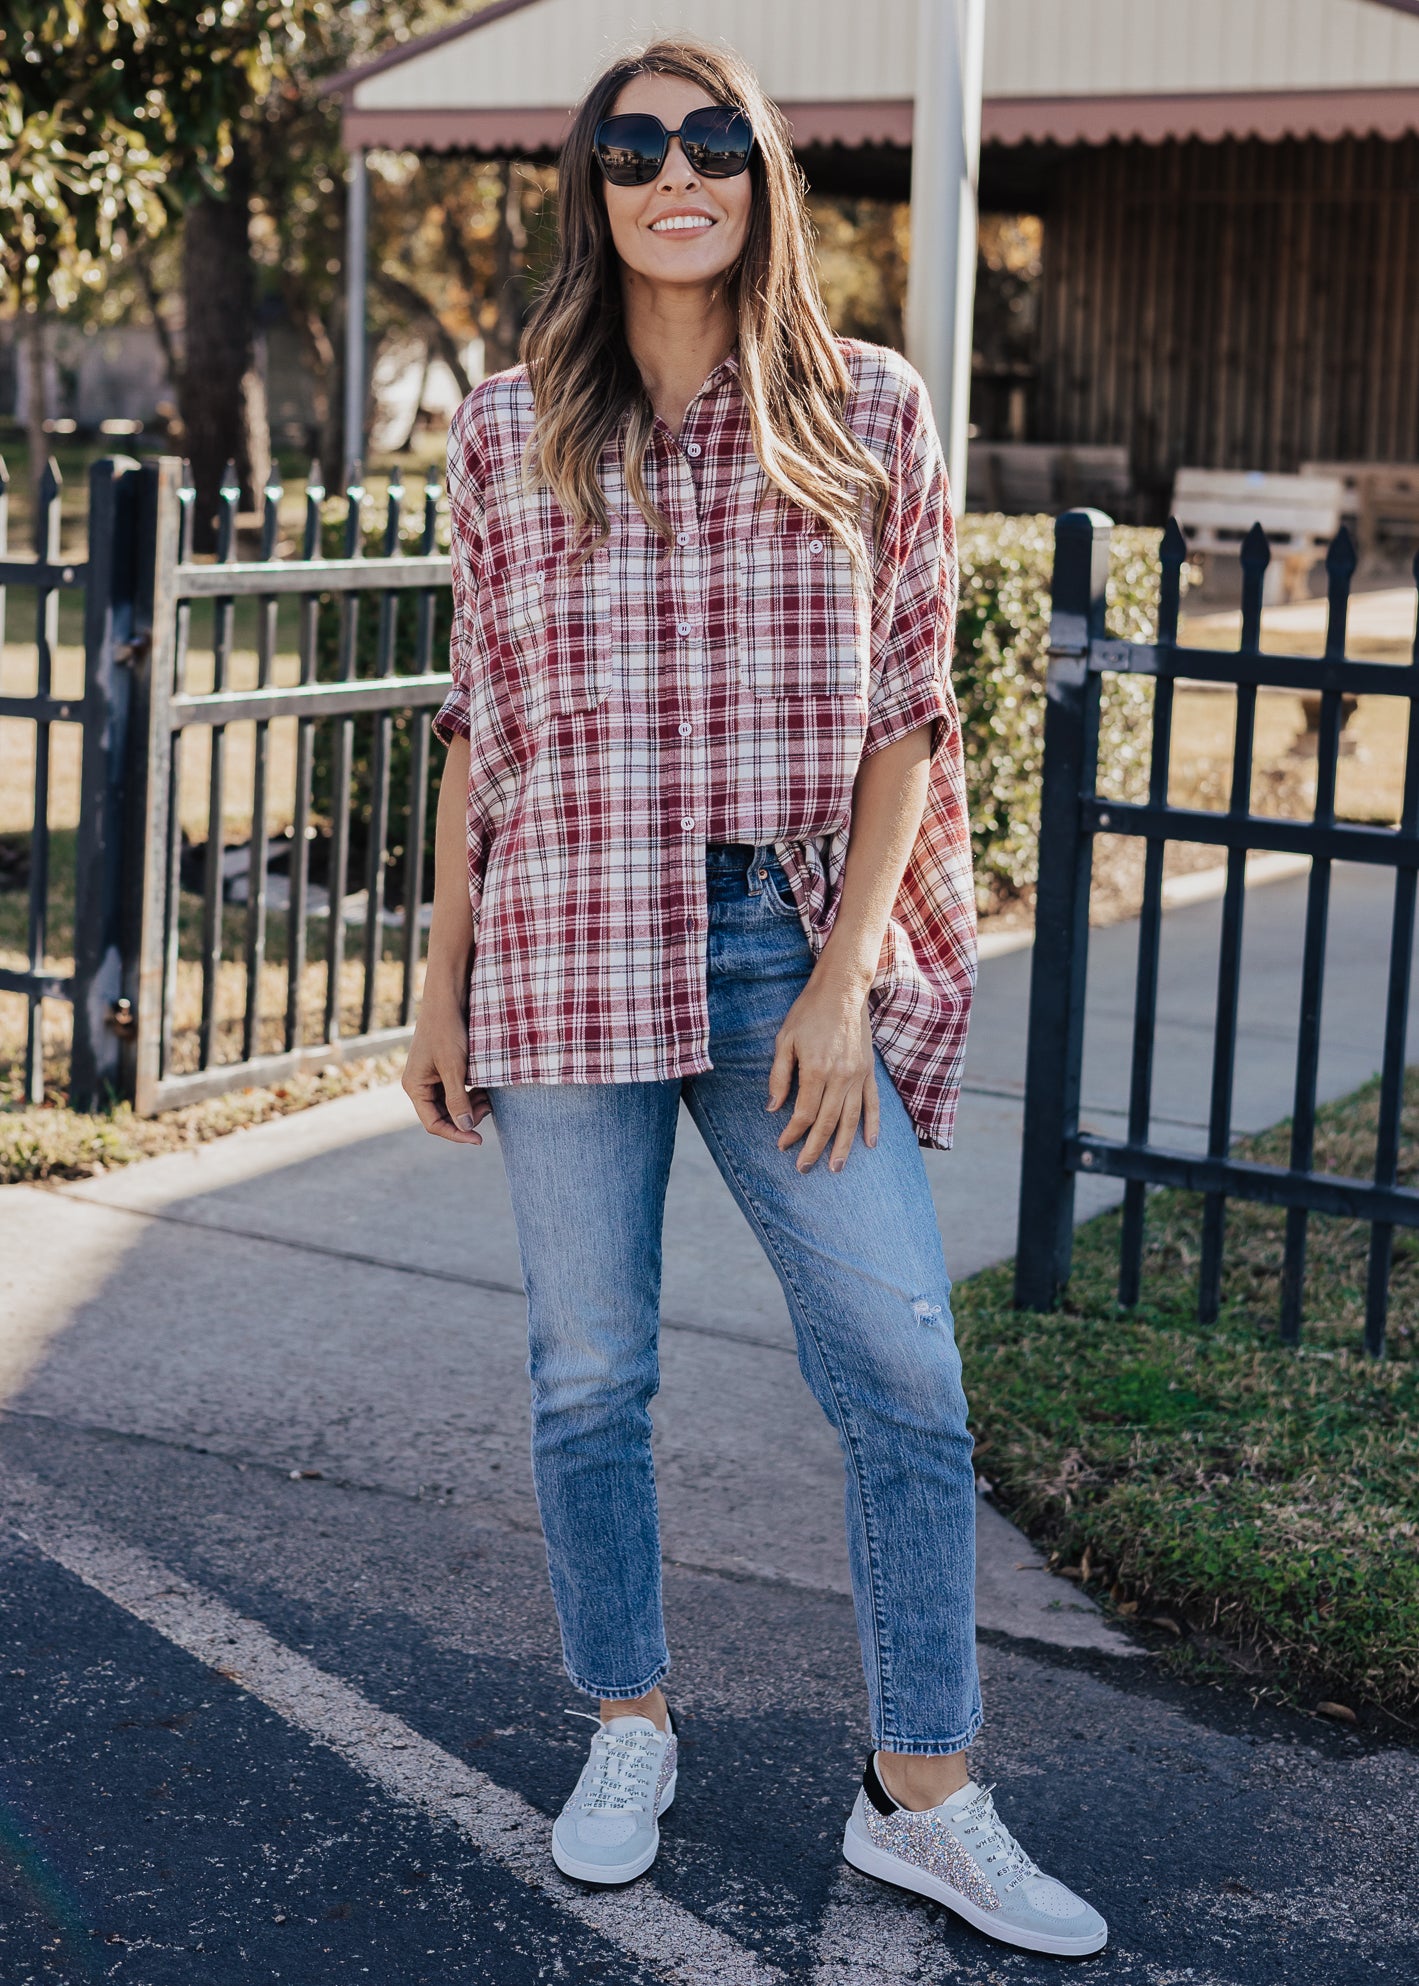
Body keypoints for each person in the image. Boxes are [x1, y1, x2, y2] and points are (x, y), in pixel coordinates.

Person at [401, 33, 1106, 1961]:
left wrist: (840, 976)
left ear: (765, 171)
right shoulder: (504, 421)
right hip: (561, 948)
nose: (673, 172)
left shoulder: (871, 412)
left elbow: (909, 720)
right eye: (633, 146)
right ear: (595, 185)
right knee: (590, 1375)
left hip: (775, 954)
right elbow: (486, 723)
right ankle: (627, 1723)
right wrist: (436, 982)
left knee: (905, 1373)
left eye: (712, 138)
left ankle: (925, 1794)